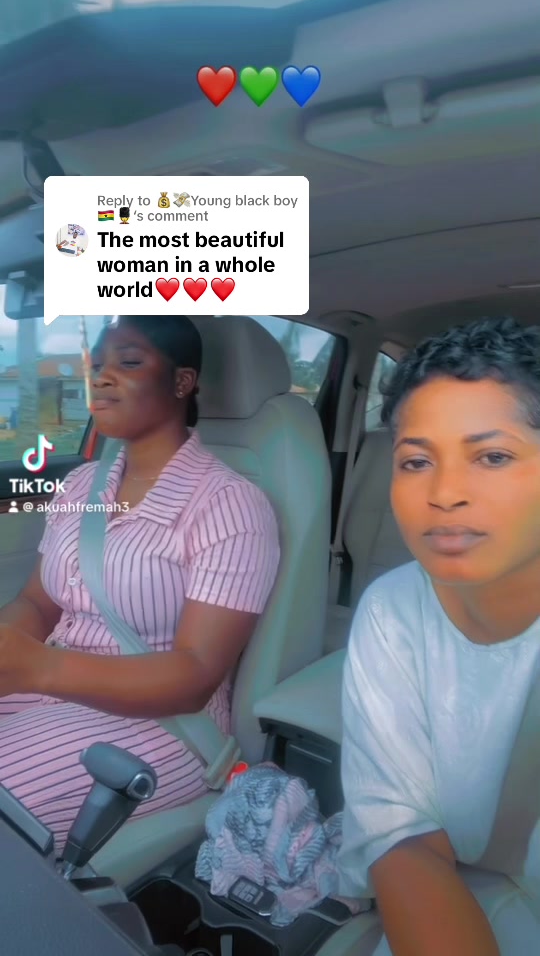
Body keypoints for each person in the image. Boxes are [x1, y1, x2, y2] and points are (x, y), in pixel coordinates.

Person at [0, 315, 280, 848]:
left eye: (128, 363)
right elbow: (37, 604)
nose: (101, 378)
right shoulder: (83, 484)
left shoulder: (230, 505)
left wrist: (37, 668)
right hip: (52, 681)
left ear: (181, 382)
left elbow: (195, 675)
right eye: (96, 366)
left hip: (163, 721)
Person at [338, 315, 540, 956]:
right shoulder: (393, 611)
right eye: (417, 461)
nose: (445, 493)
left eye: (494, 456)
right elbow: (400, 834)